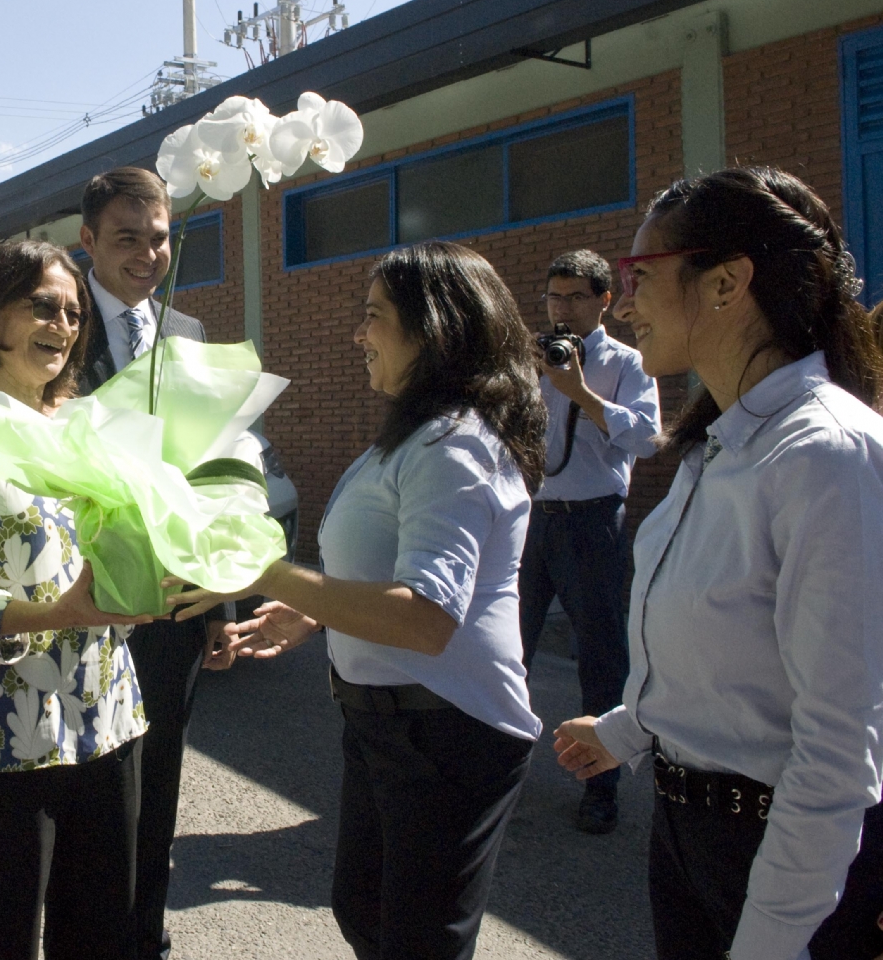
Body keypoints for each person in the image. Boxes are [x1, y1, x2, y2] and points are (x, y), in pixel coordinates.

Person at [170, 240, 546, 960]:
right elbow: (385, 564)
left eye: (374, 316)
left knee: (414, 942)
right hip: (387, 725)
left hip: (445, 734)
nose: (357, 334)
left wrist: (267, 576)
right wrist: (312, 611)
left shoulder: (453, 446)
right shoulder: (414, 437)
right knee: (366, 915)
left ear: (431, 330)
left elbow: (425, 617)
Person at [554, 167, 883, 960]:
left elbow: (837, 755)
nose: (623, 304)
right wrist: (630, 727)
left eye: (639, 275)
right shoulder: (722, 444)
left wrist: (769, 941)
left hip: (779, 859)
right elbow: (733, 664)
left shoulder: (826, 455)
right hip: (687, 834)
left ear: (729, 282)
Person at [0, 239, 154, 960]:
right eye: (44, 306)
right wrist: (61, 614)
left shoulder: (81, 428)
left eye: (75, 313)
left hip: (106, 722)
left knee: (101, 938)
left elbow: (120, 546)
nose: (64, 325)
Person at [74, 165, 234, 960]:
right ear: (88, 240)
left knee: (159, 779)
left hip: (173, 605)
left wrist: (220, 603)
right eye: (126, 238)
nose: (146, 256)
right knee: (89, 792)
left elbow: (206, 473)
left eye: (160, 238)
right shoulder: (56, 322)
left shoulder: (189, 334)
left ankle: (147, 937)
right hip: (81, 602)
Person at [518, 249, 661, 834]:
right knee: (506, 646)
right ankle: (494, 768)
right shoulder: (535, 357)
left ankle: (600, 789)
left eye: (576, 297)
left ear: (604, 300)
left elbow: (648, 438)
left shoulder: (627, 362)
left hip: (592, 522)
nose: (563, 309)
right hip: (532, 520)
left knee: (601, 659)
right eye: (555, 297)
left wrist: (579, 391)